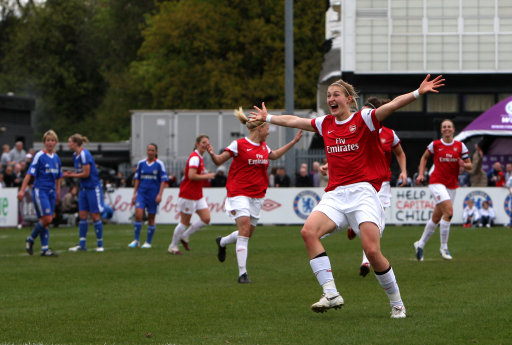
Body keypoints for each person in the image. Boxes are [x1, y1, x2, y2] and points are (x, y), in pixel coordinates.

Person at [249, 74, 444, 318]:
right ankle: (331, 293)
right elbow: (295, 120)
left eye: (336, 95)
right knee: (308, 232)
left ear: (349, 99)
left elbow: (393, 104)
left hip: (363, 192)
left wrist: (418, 92)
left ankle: (397, 303)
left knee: (372, 252)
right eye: (328, 95)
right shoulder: (325, 123)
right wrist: (269, 117)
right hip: (336, 194)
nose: (331, 98)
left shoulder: (364, 118)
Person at [210, 107, 303, 283]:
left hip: (257, 195)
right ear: (260, 128)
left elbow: (274, 155)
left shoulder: (263, 147)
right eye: (267, 127)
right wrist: (211, 153)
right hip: (238, 193)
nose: (269, 131)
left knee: (246, 233)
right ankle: (242, 274)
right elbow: (218, 160)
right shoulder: (238, 144)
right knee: (244, 229)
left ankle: (222, 242)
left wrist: (293, 142)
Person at [413, 119, 472, 262]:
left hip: (451, 185)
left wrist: (463, 164)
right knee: (449, 213)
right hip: (436, 182)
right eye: (444, 127)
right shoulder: (435, 145)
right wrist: (421, 174)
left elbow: (470, 166)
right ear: (441, 130)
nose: (446, 129)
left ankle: (420, 244)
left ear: (453, 130)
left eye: (449, 127)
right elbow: (424, 158)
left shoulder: (460, 146)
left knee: (436, 217)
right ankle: (444, 248)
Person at [168, 135, 215, 255]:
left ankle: (185, 236)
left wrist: (205, 173)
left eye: (207, 143)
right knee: (184, 222)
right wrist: (207, 176)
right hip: (188, 194)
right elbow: (191, 176)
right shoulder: (195, 158)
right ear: (197, 144)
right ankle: (173, 246)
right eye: (203, 142)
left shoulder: (199, 157)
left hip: (197, 194)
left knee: (206, 219)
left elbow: (195, 173)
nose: (205, 145)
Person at [17, 130, 62, 257]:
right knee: (47, 218)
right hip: (40, 190)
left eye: (52, 140)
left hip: (52, 192)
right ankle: (31, 239)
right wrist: (22, 190)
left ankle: (45, 249)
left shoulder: (57, 158)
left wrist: (58, 191)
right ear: (44, 142)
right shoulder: (39, 156)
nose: (50, 143)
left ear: (56, 142)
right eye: (48, 140)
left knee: (46, 220)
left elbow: (59, 176)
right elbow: (29, 174)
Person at [63, 134, 105, 252]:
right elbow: (80, 173)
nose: (68, 144)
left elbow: (86, 174)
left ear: (75, 143)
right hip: (83, 189)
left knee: (95, 215)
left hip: (92, 188)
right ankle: (82, 244)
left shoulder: (84, 154)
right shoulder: (75, 156)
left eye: (70, 142)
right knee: (82, 216)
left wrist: (71, 175)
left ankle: (99, 244)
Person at [129, 143, 168, 249]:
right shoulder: (141, 163)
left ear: (156, 152)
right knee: (138, 215)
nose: (150, 152)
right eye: (149, 150)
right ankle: (136, 240)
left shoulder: (159, 164)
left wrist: (160, 195)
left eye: (152, 150)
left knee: (151, 218)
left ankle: (148, 242)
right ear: (146, 151)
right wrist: (134, 194)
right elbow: (137, 179)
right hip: (141, 193)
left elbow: (163, 181)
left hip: (153, 195)